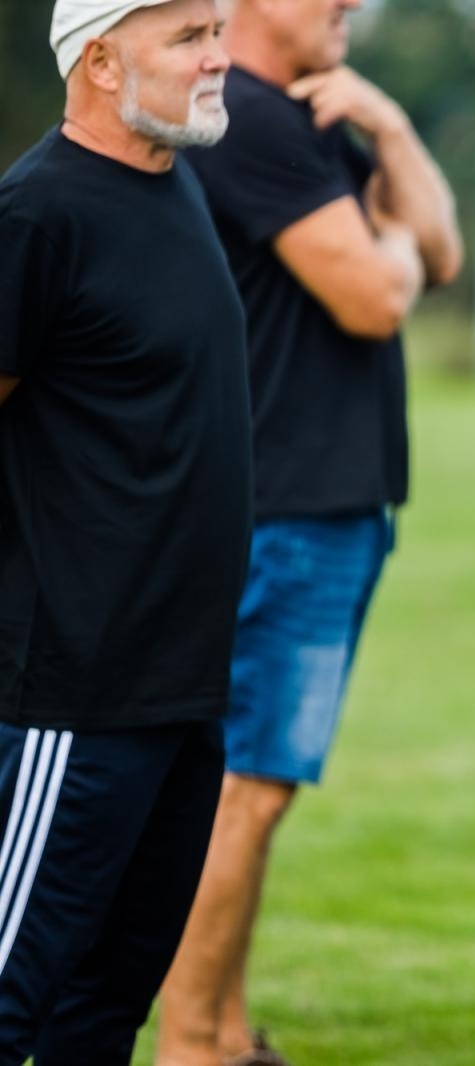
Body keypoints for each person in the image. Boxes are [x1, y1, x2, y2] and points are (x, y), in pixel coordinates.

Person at [155, 1, 462, 1063]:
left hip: (324, 502)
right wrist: (397, 246)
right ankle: (194, 1042)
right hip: (282, 507)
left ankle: (226, 1032)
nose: (350, 3)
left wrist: (396, 130)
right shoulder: (249, 115)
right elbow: (381, 293)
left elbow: (445, 251)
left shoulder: (315, 117)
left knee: (256, 789)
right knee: (245, 787)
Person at [0, 0, 251, 1061]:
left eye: (219, 29)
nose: (219, 56)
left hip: (183, 692)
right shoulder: (34, 215)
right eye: (188, 36)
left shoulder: (179, 188)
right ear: (100, 60)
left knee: (100, 1013)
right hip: (72, 697)